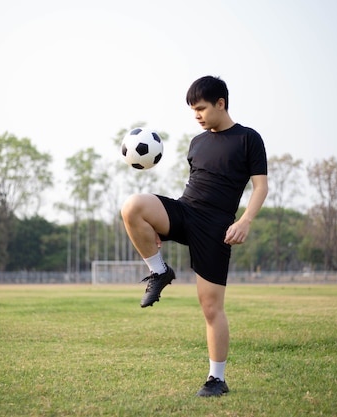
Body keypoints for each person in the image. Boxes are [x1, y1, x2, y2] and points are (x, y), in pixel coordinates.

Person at [121, 75, 268, 397]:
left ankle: (217, 379)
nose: (197, 115)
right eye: (192, 111)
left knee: (210, 307)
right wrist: (156, 227)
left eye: (201, 108)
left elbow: (261, 186)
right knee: (133, 207)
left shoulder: (248, 139)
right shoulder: (197, 143)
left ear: (221, 103)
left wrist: (245, 221)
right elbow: (198, 188)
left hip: (217, 228)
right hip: (186, 211)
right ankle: (159, 271)